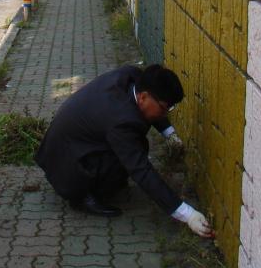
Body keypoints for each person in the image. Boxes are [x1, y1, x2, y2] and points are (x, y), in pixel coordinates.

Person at [35, 64, 213, 238]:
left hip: (69, 147)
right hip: (68, 169)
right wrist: (188, 214)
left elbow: (154, 109)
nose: (166, 114)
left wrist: (170, 134)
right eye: (165, 108)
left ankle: (100, 182)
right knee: (133, 153)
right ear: (143, 97)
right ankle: (83, 197)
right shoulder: (121, 121)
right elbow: (140, 170)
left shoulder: (133, 77)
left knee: (136, 146)